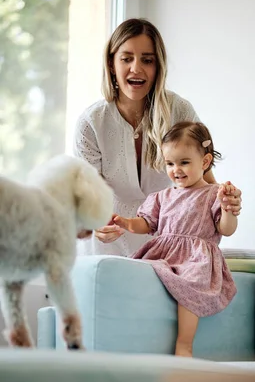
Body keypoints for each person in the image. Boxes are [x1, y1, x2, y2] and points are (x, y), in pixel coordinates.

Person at [73, 18, 242, 257]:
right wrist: (97, 222)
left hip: (169, 250)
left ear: (158, 67)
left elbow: (205, 183)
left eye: (147, 60)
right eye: (126, 58)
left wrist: (226, 203)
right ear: (111, 63)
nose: (136, 68)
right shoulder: (90, 123)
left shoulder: (180, 111)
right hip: (107, 247)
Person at [112, 121, 238, 357]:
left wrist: (228, 208)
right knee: (137, 270)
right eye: (170, 163)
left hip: (195, 258)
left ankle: (184, 344)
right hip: (163, 253)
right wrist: (127, 223)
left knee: (191, 283)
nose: (176, 170)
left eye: (184, 162)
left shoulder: (213, 193)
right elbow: (147, 223)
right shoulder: (162, 196)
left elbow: (227, 229)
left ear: (205, 162)